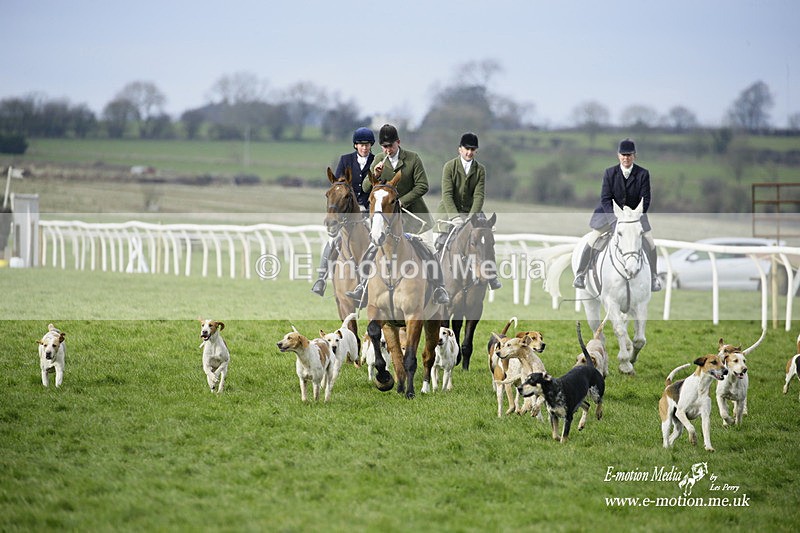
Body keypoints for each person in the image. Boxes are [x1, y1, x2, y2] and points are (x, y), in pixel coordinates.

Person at [345, 123, 450, 305]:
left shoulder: (412, 159)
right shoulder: (378, 159)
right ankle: (362, 286)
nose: (387, 150)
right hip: (388, 221)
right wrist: (374, 175)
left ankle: (439, 288)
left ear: (398, 143)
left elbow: (422, 185)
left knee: (430, 251)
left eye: (390, 146)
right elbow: (365, 188)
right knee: (371, 250)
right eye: (384, 147)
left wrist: (401, 202)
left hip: (417, 219)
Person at [573, 138, 662, 292]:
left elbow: (646, 199)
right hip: (610, 215)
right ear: (618, 156)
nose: (626, 158)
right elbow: (605, 199)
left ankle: (654, 277)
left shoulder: (643, 174)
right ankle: (580, 274)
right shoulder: (610, 173)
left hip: (635, 216)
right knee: (593, 238)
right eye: (623, 155)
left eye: (629, 155)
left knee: (650, 242)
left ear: (634, 156)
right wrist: (614, 219)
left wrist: (634, 216)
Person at [311, 127, 375, 296]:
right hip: (348, 212)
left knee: (377, 240)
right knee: (333, 240)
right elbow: (338, 186)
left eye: (367, 144)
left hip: (369, 211)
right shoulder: (345, 160)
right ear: (355, 145)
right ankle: (321, 278)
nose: (364, 147)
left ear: (371, 145)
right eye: (361, 144)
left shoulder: (376, 161)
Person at [435, 132, 502, 290]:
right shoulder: (449, 167)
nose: (469, 152)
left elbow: (479, 195)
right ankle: (435, 280)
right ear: (460, 149)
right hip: (448, 212)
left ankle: (491, 276)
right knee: (438, 243)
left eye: (473, 149)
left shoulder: (480, 170)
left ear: (476, 151)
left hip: (473, 212)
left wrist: (471, 218)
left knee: (486, 242)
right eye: (466, 149)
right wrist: (455, 217)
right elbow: (447, 194)